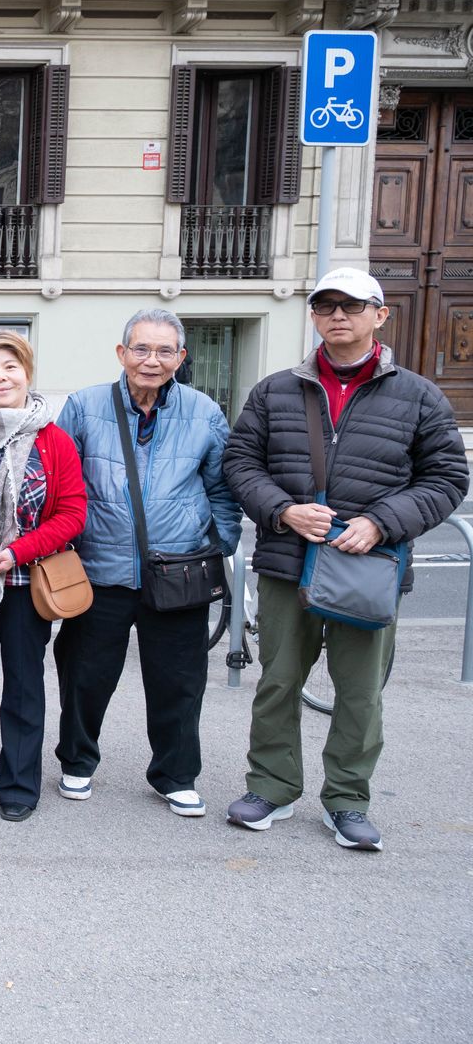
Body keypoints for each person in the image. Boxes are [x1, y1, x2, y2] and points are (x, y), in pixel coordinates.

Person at [222, 268, 468, 851]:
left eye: (352, 305)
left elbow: (446, 478)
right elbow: (240, 462)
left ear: (379, 315)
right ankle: (272, 787)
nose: (338, 314)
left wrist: (380, 522)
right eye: (326, 305)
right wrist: (283, 511)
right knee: (278, 682)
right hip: (288, 562)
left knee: (359, 692)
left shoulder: (418, 395)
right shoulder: (276, 391)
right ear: (313, 316)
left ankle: (348, 799)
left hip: (370, 564)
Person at [52, 309, 241, 817]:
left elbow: (223, 489)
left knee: (179, 680)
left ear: (180, 357)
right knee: (85, 674)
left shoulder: (204, 412)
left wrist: (218, 543)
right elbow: (60, 482)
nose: (151, 360)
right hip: (99, 568)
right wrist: (65, 549)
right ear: (122, 353)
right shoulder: (85, 406)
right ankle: (77, 761)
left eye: (164, 351)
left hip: (179, 569)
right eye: (141, 349)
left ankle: (175, 775)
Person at [0, 330, 87, 822]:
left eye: (10, 367)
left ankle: (20, 784)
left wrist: (15, 552)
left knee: (24, 684)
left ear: (27, 373)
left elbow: (72, 513)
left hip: (27, 583)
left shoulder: (53, 439)